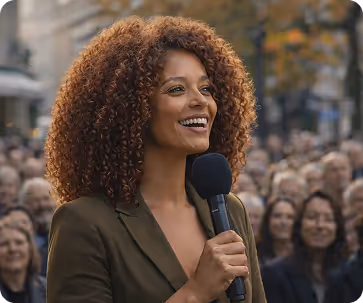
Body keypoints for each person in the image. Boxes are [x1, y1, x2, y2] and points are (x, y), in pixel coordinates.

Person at [45, 16, 266, 303]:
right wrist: (195, 293)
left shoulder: (230, 210)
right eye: (176, 89)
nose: (200, 100)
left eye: (206, 88)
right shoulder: (84, 224)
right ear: (132, 109)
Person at [261, 191, 347, 303]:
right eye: (312, 217)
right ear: (299, 225)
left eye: (328, 219)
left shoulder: (349, 274)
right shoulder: (274, 274)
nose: (320, 225)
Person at [0, 222, 46, 303]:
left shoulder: (49, 289)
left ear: (30, 249)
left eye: (19, 243)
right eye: (4, 244)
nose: (12, 249)